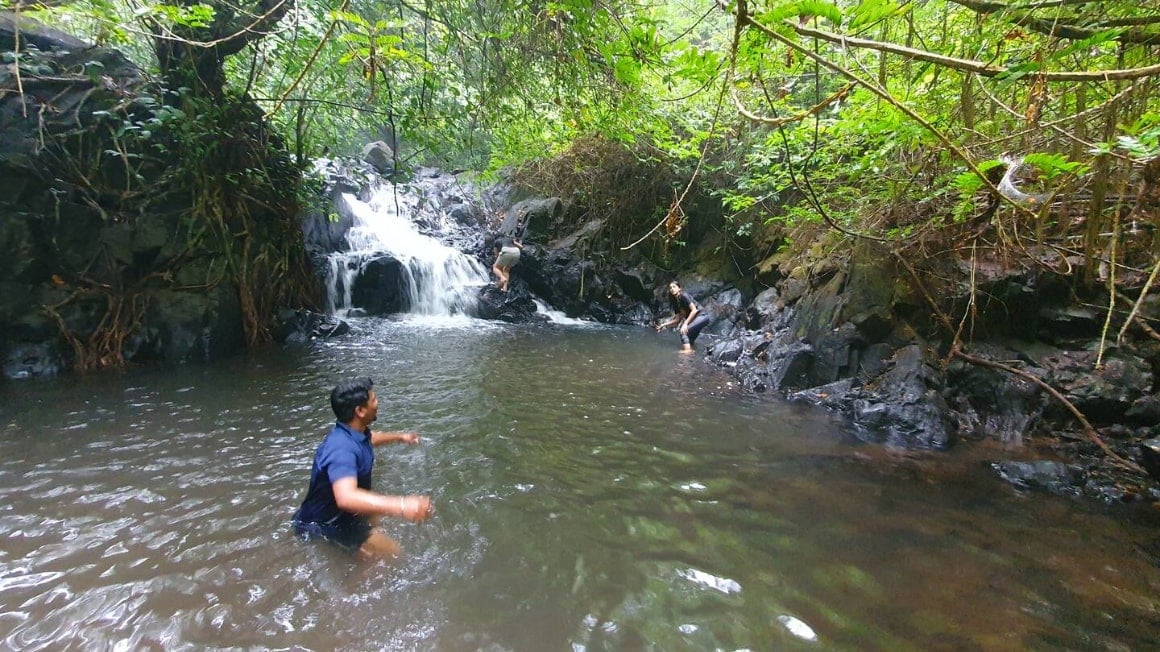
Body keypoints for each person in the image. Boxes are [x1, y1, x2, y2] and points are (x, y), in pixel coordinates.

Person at [293, 377, 433, 558]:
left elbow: (370, 439)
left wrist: (401, 437)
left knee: (377, 526)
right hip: (326, 523)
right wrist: (402, 505)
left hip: (345, 513)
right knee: (393, 554)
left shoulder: (353, 433)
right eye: (373, 400)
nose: (377, 402)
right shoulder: (341, 449)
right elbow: (346, 497)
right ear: (359, 410)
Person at [656, 280, 712, 353]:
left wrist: (685, 324)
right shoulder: (675, 303)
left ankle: (687, 353)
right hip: (696, 320)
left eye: (674, 287)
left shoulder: (684, 296)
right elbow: (677, 320)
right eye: (670, 288)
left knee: (683, 332)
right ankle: (693, 356)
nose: (672, 289)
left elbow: (694, 310)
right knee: (689, 340)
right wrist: (663, 325)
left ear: (679, 288)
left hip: (702, 316)